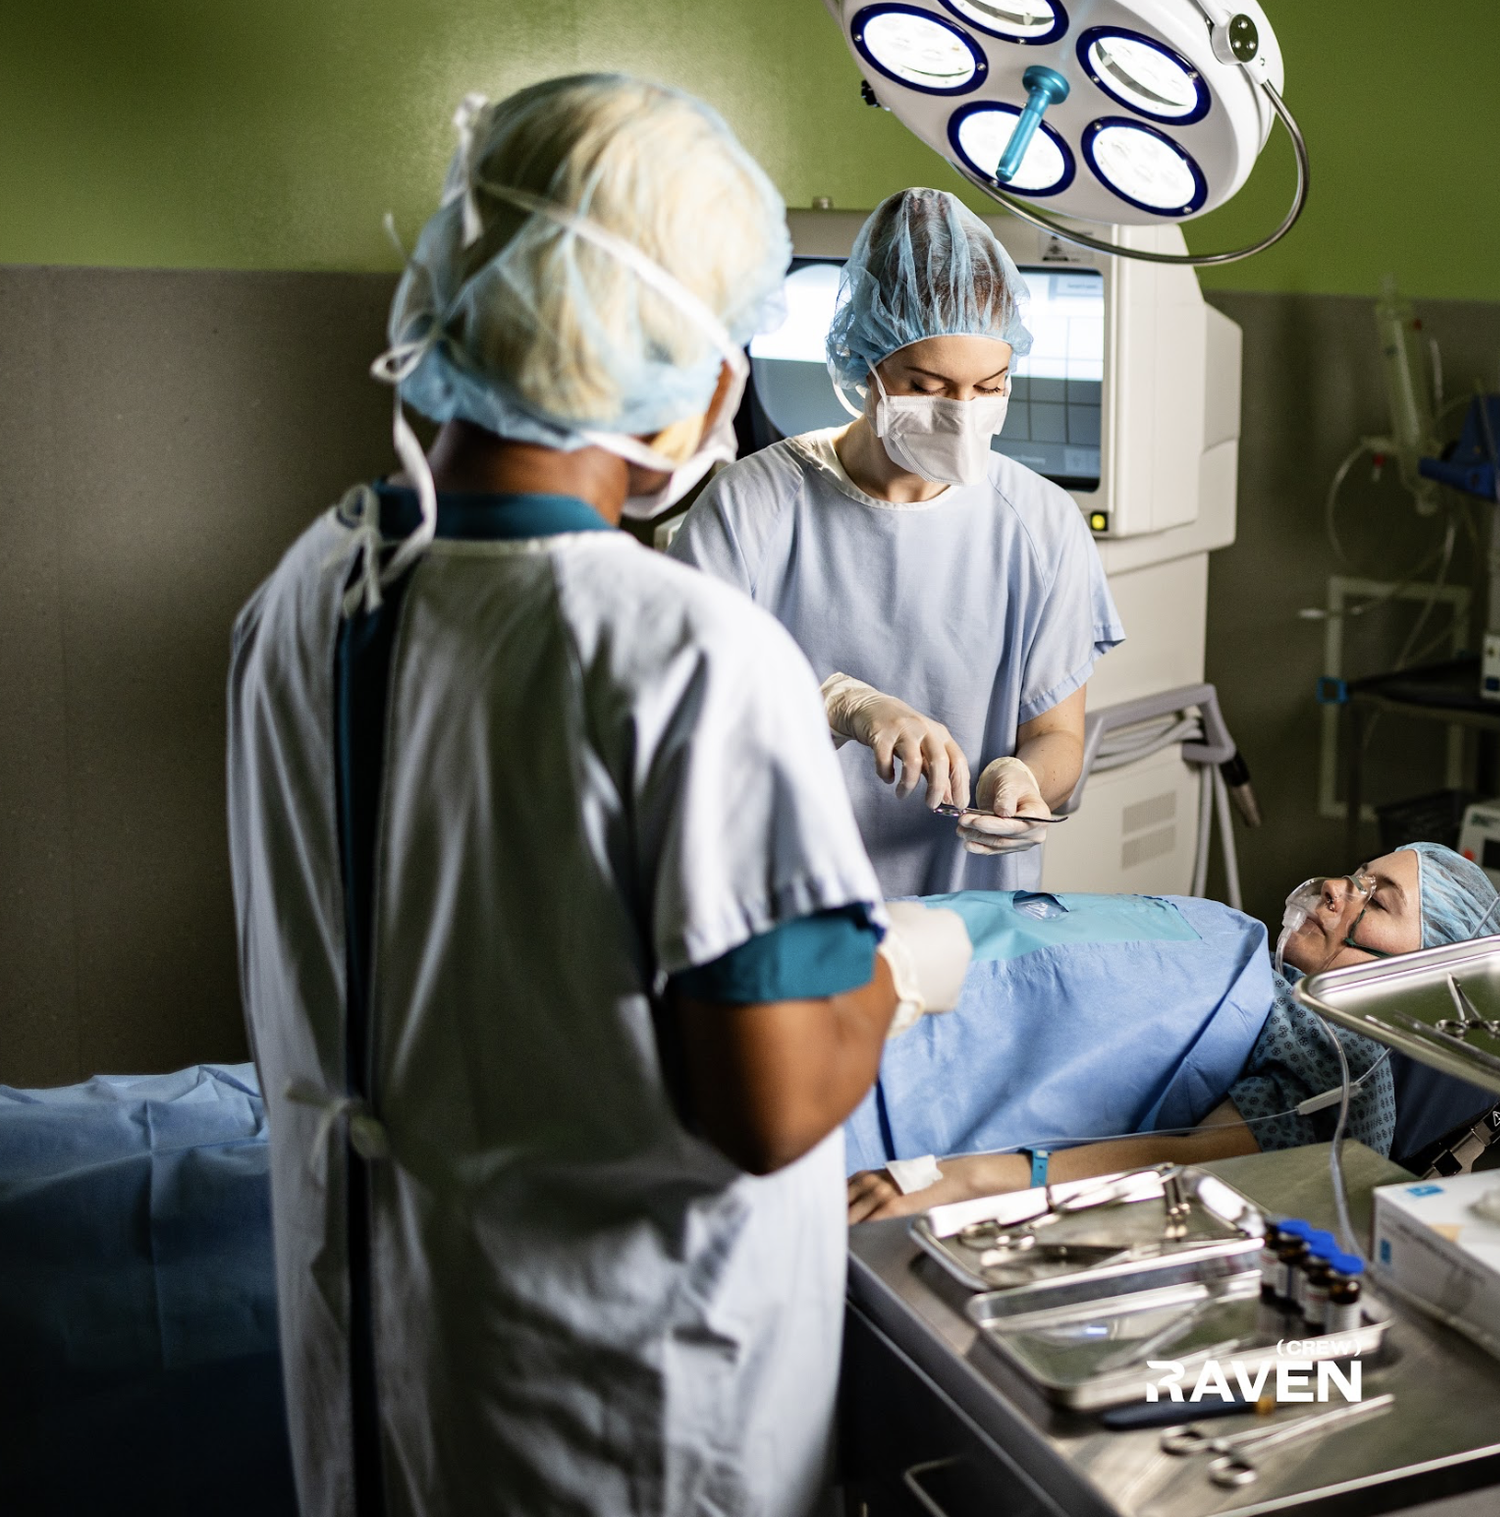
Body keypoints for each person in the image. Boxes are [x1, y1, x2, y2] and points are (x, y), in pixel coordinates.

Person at [227, 75, 970, 1517]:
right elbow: (768, 1102)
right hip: (618, 1429)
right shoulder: (683, 653)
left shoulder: (307, 589)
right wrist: (894, 969)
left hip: (384, 1384)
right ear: (690, 365)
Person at [668, 187, 1122, 896]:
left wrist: (1025, 778)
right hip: (781, 904)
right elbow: (683, 719)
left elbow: (1057, 736)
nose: (962, 413)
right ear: (866, 360)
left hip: (971, 911)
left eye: (990, 386)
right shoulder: (751, 507)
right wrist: (836, 706)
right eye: (929, 385)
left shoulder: (1039, 523)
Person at [846, 844, 1500, 1222]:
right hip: (868, 960)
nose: (1341, 888)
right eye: (1362, 875)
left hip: (881, 1081)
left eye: (1379, 900)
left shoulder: (1344, 1051)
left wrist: (971, 1182)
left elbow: (1185, 1162)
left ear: (1428, 973)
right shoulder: (1245, 942)